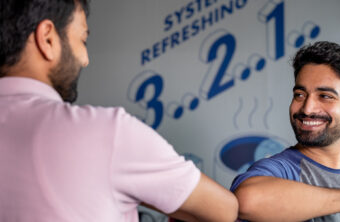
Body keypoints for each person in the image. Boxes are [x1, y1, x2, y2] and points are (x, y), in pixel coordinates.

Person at [0, 0, 238, 221]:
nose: (85, 59)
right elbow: (225, 210)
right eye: (82, 40)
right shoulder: (108, 133)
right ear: (48, 38)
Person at [231, 41, 340, 221]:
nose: (307, 109)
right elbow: (246, 201)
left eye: (325, 96)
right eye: (300, 95)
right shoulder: (280, 171)